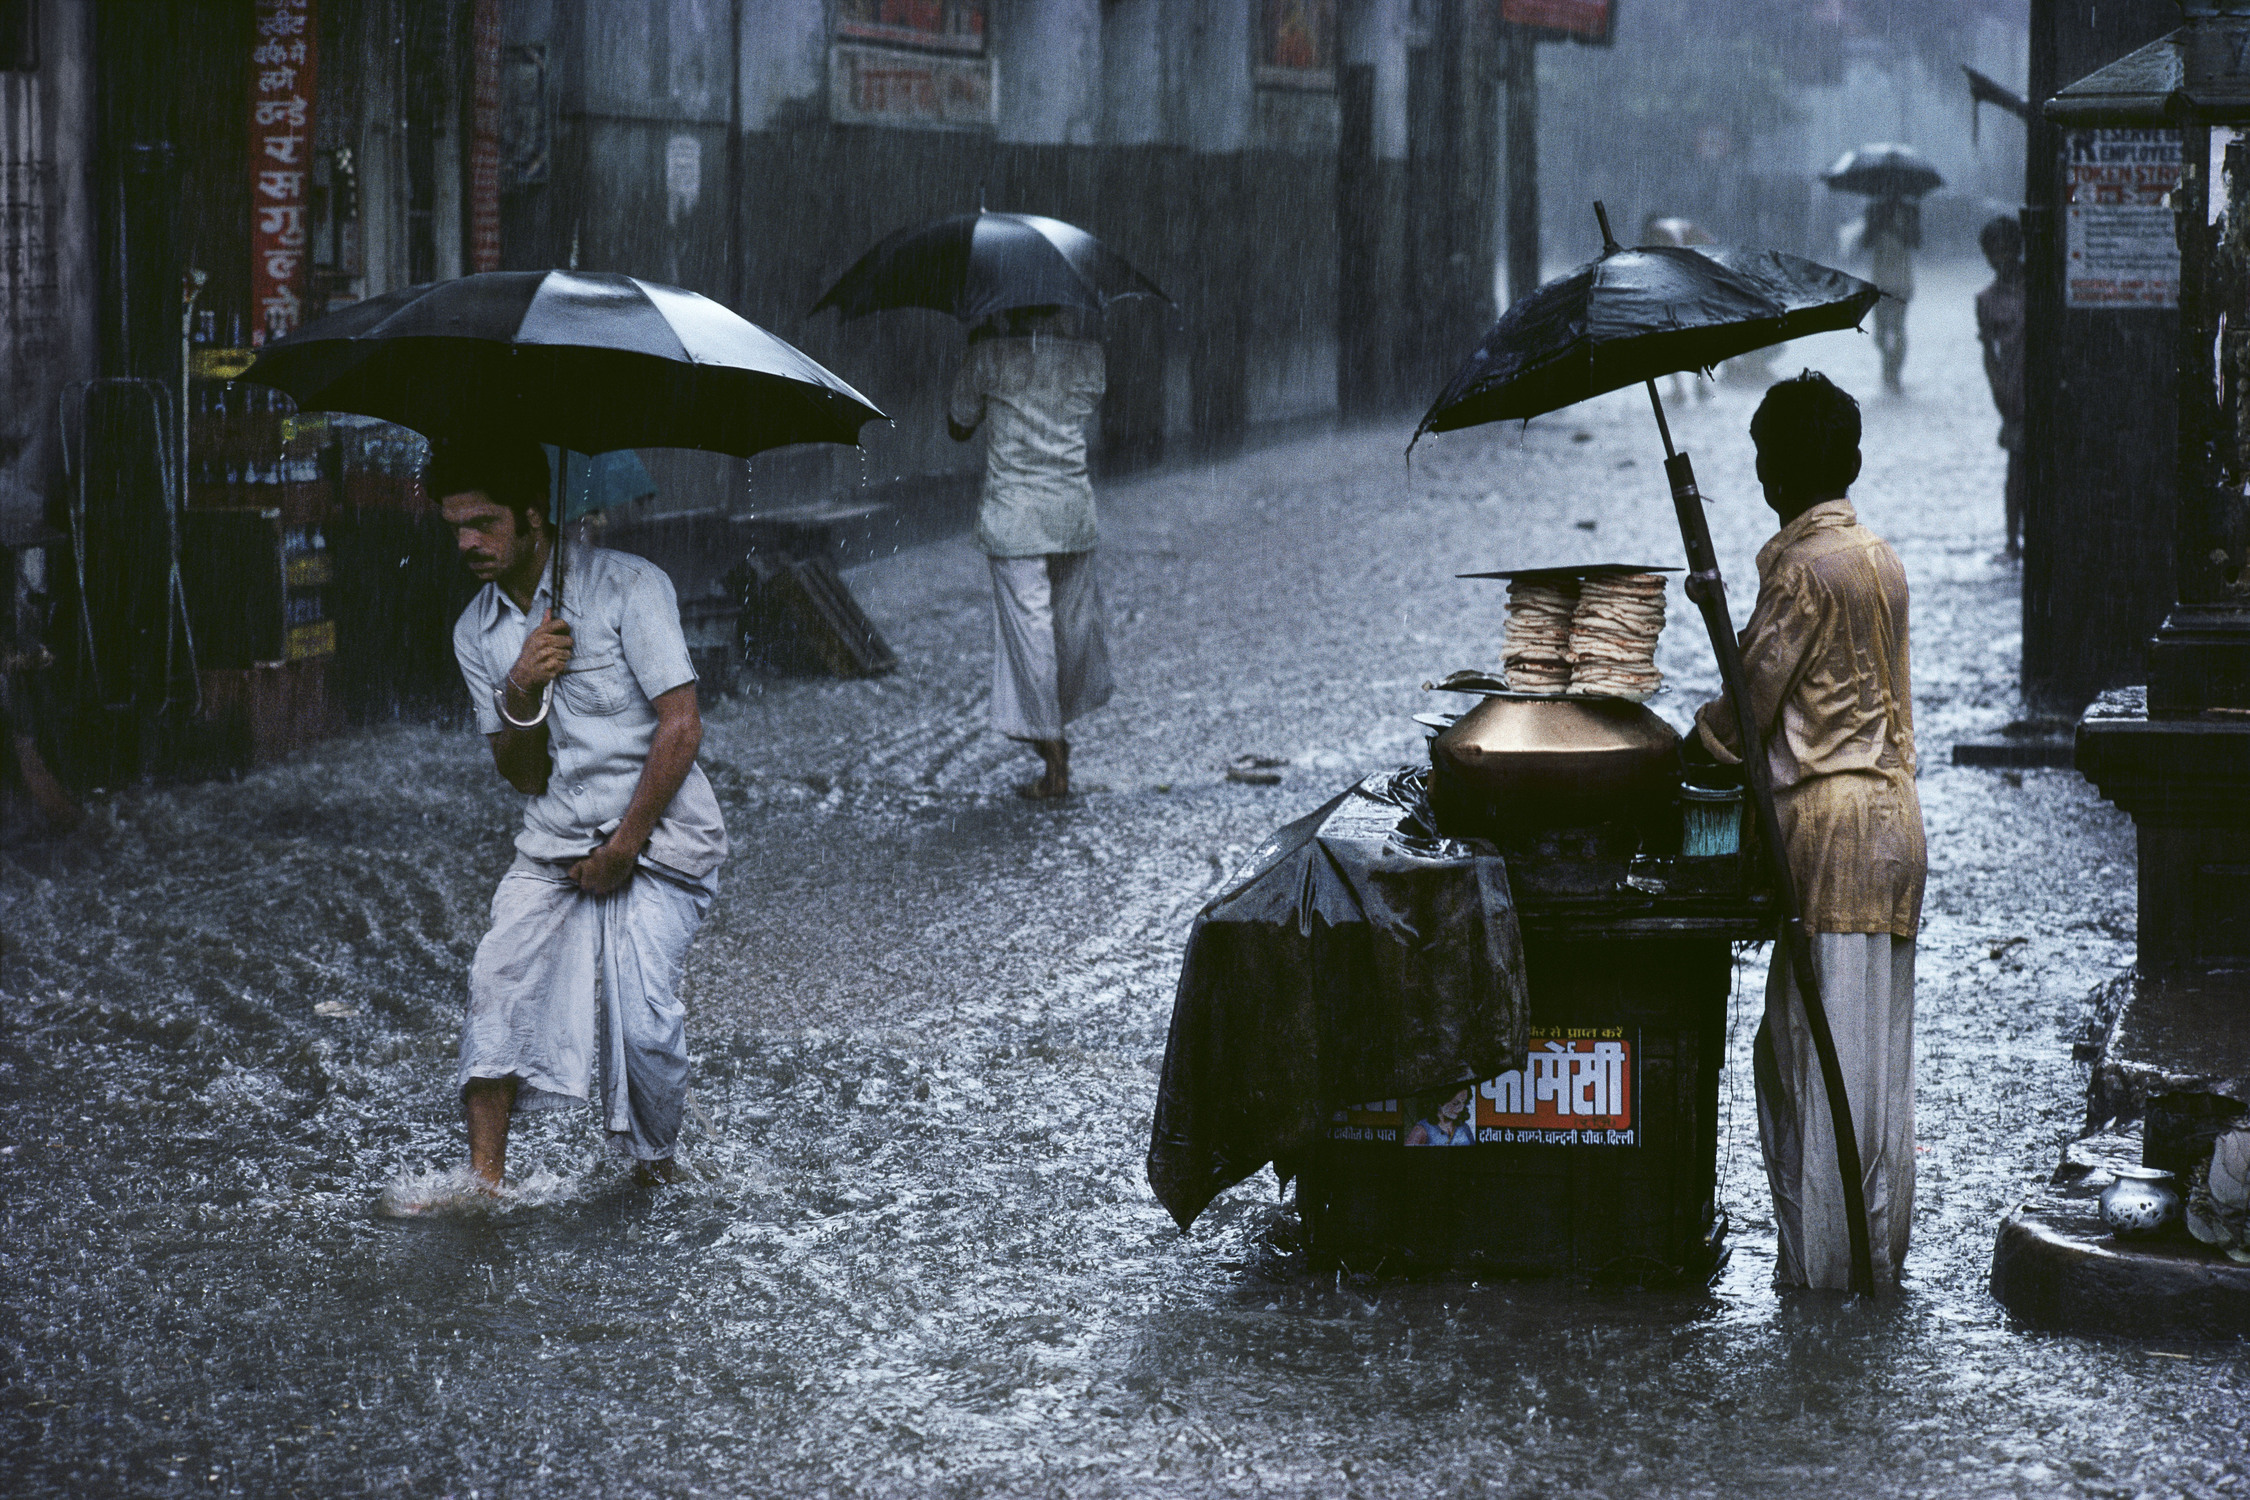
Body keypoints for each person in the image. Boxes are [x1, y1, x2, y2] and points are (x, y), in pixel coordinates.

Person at [434, 440, 728, 1191]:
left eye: (485, 523)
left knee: (642, 1017)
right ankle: (485, 1189)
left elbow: (682, 727)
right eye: (456, 526)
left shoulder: (632, 585)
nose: (467, 541)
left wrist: (624, 849)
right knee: (496, 984)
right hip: (555, 840)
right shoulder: (476, 630)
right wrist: (522, 689)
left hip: (661, 837)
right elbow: (524, 775)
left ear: (534, 517)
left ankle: (655, 1172)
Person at [1688, 372, 1925, 1290]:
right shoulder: (1880, 557)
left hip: (1829, 830)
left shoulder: (1801, 570)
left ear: (1779, 470)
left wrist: (1683, 747)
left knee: (1810, 1055)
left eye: (1762, 461)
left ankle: (1825, 1273)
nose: (1756, 479)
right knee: (1873, 1062)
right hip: (1896, 824)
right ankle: (1872, 1259)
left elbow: (1748, 715)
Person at [948, 304, 1115, 800]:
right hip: (1070, 513)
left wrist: (980, 352)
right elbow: (1075, 408)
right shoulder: (1089, 358)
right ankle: (1055, 739)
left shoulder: (989, 357)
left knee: (1031, 636)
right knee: (1069, 631)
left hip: (1015, 516)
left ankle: (1053, 753)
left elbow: (958, 424)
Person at [1975, 214, 2027, 559]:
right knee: (2017, 468)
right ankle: (2012, 538)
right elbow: (1988, 352)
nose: (1999, 259)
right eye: (1993, 252)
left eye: (2005, 250)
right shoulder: (1986, 300)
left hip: (2044, 383)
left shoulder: (2041, 286)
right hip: (2012, 388)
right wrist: (1999, 390)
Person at [1864, 195, 1919, 392]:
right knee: (1880, 333)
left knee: (1896, 329)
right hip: (1880, 282)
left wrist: (1902, 226)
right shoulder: (1874, 211)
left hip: (1900, 282)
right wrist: (1877, 223)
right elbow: (1866, 242)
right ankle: (1889, 365)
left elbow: (1917, 241)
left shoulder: (1910, 211)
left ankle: (1893, 372)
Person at [1404, 1086, 1475, 1147]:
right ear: (1440, 1101)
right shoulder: (1421, 1129)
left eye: (1464, 1103)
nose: (1461, 1108)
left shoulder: (1464, 1128)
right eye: (1455, 1103)